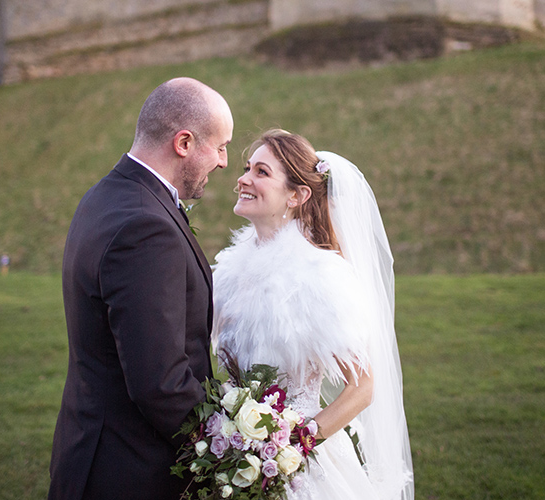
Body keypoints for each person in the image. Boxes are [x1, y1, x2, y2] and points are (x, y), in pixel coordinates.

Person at [48, 77, 234, 500]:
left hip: (92, 447)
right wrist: (230, 453)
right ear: (184, 142)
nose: (224, 162)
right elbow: (160, 383)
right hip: (128, 470)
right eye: (220, 146)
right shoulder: (146, 226)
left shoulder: (106, 195)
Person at [211, 130, 414, 499]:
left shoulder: (321, 277)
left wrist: (292, 445)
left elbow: (362, 388)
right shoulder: (227, 273)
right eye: (246, 168)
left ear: (297, 195)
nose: (243, 179)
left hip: (300, 466)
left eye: (261, 171)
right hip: (230, 456)